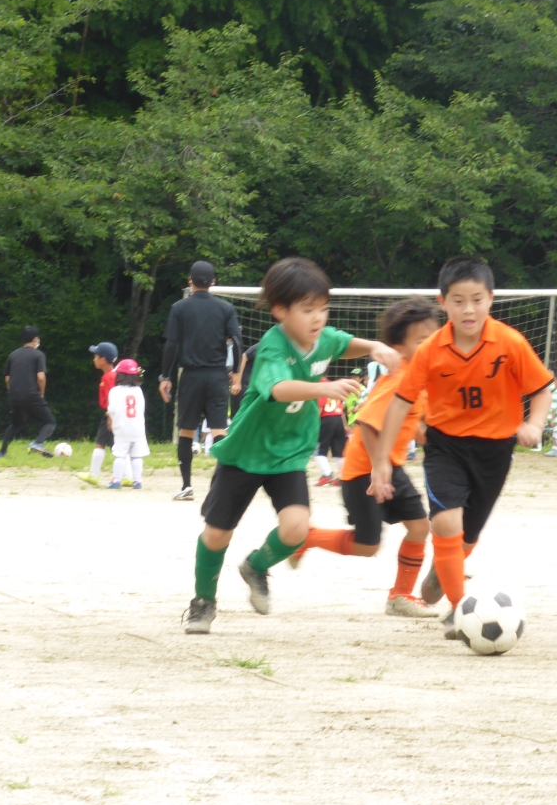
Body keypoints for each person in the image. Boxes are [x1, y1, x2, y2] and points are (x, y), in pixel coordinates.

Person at [181, 257, 400, 634]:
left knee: (297, 529)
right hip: (246, 454)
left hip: (289, 454)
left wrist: (375, 347)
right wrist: (324, 388)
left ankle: (256, 566)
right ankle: (203, 601)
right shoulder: (272, 345)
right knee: (217, 533)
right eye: (307, 309)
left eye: (323, 308)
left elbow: (344, 343)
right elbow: (280, 389)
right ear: (280, 310)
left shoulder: (323, 338)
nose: (318, 318)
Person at [371, 256, 554, 639]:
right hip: (446, 448)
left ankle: (445, 567)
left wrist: (534, 424)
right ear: (443, 303)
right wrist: (383, 461)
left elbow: (540, 388)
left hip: (495, 452)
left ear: (491, 299)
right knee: (445, 523)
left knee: (465, 537)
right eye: (458, 301)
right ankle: (459, 610)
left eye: (476, 300)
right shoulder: (430, 350)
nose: (468, 309)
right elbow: (401, 403)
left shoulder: (510, 342)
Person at [286, 299, 441, 618]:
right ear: (399, 348)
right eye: (422, 341)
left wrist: (426, 435)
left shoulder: (421, 375)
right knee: (367, 546)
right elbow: (368, 423)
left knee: (419, 527)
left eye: (434, 338)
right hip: (365, 470)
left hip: (389, 466)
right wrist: (379, 468)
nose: (431, 346)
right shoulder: (400, 377)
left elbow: (411, 419)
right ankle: (307, 537)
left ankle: (400, 596)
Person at [158, 261, 243, 502]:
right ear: (213, 282)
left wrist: (165, 376)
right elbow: (237, 342)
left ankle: (186, 486)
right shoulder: (226, 308)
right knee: (219, 430)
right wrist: (236, 372)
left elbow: (171, 344)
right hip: (217, 376)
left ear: (190, 281)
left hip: (191, 376)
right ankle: (223, 487)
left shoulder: (179, 308)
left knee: (187, 430)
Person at [0, 326, 55, 458]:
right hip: (31, 394)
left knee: (16, 423)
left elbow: (7, 378)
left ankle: (2, 452)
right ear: (35, 339)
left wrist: (11, 392)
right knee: (49, 422)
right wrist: (41, 393)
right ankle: (38, 443)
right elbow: (41, 377)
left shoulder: (13, 355)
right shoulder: (38, 355)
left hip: (14, 395)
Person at [78, 342, 119, 485]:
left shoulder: (108, 377)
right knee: (118, 447)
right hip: (115, 415)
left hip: (110, 415)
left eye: (96, 356)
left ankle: (94, 475)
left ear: (103, 360)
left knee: (100, 444)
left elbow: (110, 399)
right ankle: (127, 476)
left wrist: (110, 418)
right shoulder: (115, 375)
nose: (93, 359)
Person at [106, 358, 150, 490]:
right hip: (138, 428)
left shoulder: (115, 391)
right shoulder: (138, 390)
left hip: (122, 428)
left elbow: (112, 410)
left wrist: (110, 418)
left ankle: (116, 480)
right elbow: (142, 408)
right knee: (136, 455)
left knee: (120, 454)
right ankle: (137, 481)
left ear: (120, 375)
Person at [315, 385, 347, 485]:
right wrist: (345, 425)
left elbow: (320, 406)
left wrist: (314, 423)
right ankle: (343, 476)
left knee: (319, 449)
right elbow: (341, 408)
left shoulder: (320, 385)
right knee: (339, 450)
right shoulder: (333, 385)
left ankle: (327, 474)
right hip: (338, 418)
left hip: (326, 419)